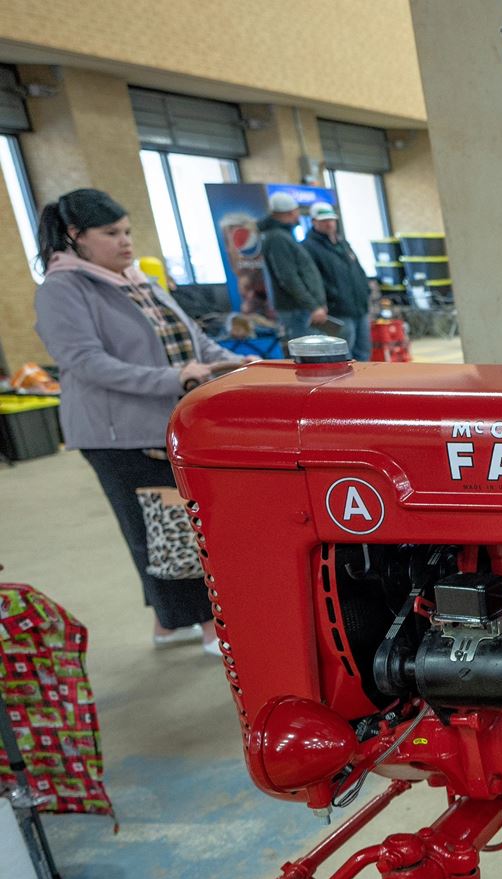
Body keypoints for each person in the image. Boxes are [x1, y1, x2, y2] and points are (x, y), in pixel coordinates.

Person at [31, 188, 244, 654]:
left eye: (127, 231)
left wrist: (238, 365)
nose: (126, 241)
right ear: (76, 235)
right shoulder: (62, 289)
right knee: (165, 528)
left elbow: (194, 341)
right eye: (111, 233)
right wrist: (173, 378)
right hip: (118, 434)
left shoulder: (137, 280)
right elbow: (87, 362)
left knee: (167, 523)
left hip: (168, 423)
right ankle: (207, 627)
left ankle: (167, 626)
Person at [303, 202, 373, 362]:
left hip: (359, 307)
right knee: (342, 355)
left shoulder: (343, 244)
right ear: (313, 222)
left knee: (363, 352)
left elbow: (358, 270)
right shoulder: (308, 248)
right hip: (337, 310)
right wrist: (327, 300)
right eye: (324, 221)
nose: (329, 224)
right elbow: (312, 280)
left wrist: (366, 291)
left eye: (331, 220)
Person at [259, 191, 326, 342]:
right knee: (309, 351)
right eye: (297, 211)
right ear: (290, 212)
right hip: (296, 309)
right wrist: (313, 305)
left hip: (300, 308)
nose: (298, 215)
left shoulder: (283, 235)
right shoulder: (278, 238)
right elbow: (288, 277)